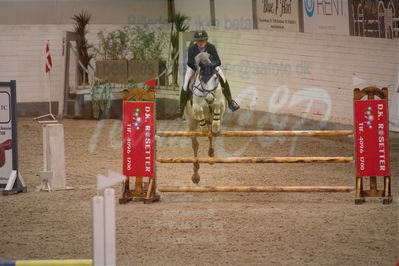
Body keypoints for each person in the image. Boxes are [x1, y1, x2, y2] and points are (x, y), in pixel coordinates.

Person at [179, 30, 240, 115]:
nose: (200, 43)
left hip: (210, 67)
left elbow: (218, 61)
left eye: (202, 40)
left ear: (206, 40)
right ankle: (181, 106)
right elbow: (189, 62)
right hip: (195, 68)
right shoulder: (192, 49)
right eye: (198, 41)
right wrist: (198, 67)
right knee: (185, 84)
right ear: (196, 41)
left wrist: (211, 66)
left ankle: (230, 101)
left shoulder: (211, 47)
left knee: (223, 76)